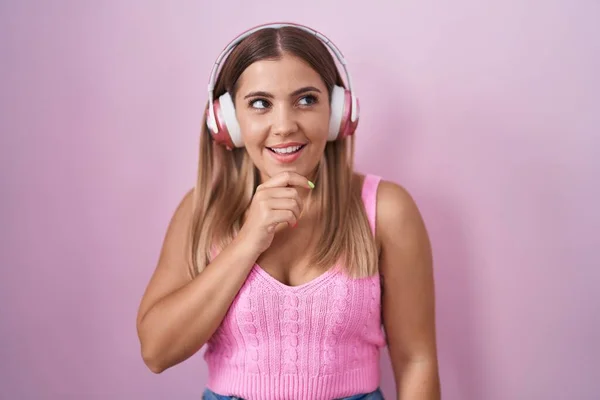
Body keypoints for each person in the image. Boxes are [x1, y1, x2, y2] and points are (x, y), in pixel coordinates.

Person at [136, 22, 441, 400]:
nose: (284, 126)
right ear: (228, 122)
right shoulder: (200, 211)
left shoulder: (386, 210)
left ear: (337, 113)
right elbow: (156, 351)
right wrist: (248, 239)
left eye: (307, 99)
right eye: (260, 103)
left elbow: (416, 361)